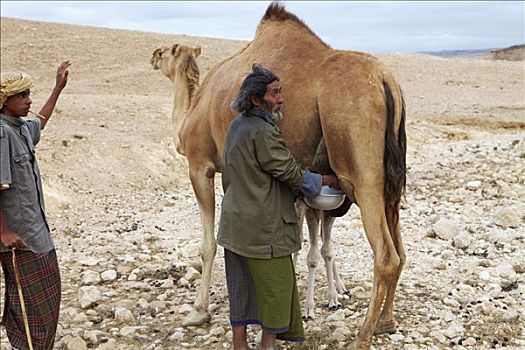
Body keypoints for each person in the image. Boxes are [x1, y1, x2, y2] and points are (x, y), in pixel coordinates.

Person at [217, 64, 338, 350]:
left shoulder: (237, 126)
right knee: (277, 287)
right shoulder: (264, 133)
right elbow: (291, 174)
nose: (281, 98)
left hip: (234, 224)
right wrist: (325, 180)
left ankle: (239, 345)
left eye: (281, 91)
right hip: (264, 229)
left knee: (241, 286)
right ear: (256, 100)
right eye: (274, 93)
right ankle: (265, 346)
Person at [0, 61, 71, 350]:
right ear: (5, 100)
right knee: (30, 313)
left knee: (48, 302)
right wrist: (3, 232)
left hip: (37, 234)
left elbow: (39, 121)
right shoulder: (2, 134)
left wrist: (58, 88)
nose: (28, 100)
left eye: (29, 94)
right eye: (22, 96)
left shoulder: (19, 128)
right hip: (19, 241)